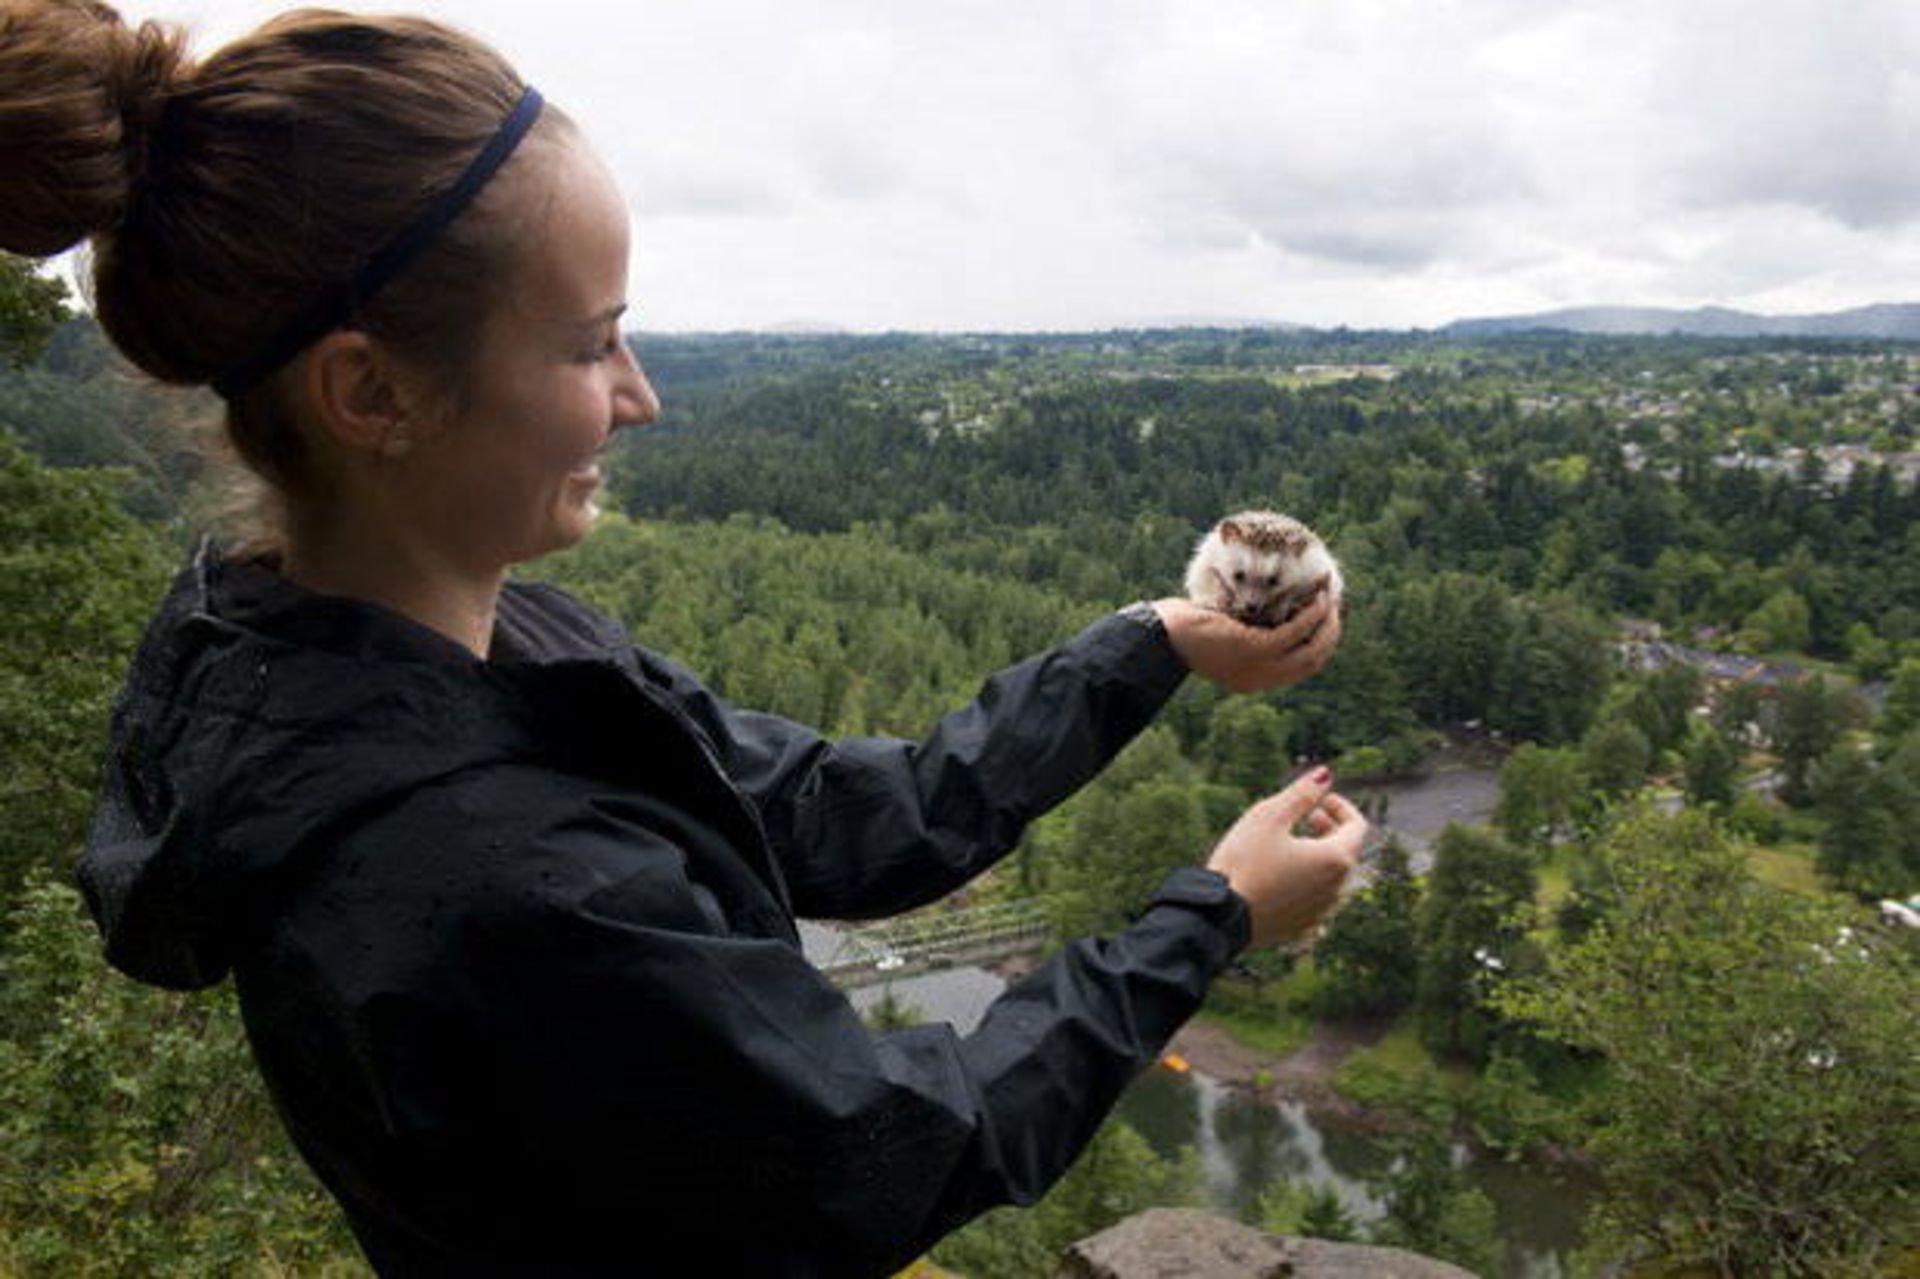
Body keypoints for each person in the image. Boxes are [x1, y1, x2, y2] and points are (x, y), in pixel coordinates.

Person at [3, 2, 1364, 1273]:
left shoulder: (461, 652)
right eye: (592, 346)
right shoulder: (490, 876)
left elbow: (851, 821)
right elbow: (884, 1149)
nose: (639, 399)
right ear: (373, 392)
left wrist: (1155, 644)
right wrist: (1216, 915)